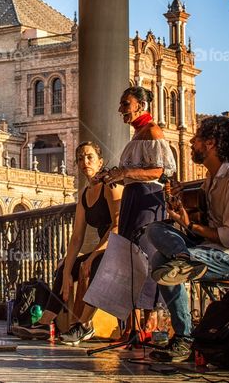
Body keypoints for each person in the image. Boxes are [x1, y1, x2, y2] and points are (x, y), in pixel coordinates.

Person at [146, 115, 229, 363]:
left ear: (212, 143)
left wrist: (189, 224)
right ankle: (184, 259)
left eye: (198, 138)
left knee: (161, 261)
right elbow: (202, 226)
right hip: (212, 251)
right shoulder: (210, 181)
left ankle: (183, 335)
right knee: (155, 232)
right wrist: (181, 205)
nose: (192, 141)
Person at [59, 86, 176, 346]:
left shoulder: (153, 132)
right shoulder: (136, 137)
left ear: (141, 106)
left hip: (148, 202)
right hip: (135, 200)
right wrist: (113, 175)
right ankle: (129, 328)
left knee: (138, 262)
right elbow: (133, 170)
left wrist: (124, 174)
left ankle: (136, 326)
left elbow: (160, 171)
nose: (121, 109)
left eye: (126, 104)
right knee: (128, 263)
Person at [17, 141, 120, 340]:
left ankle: (83, 325)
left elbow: (117, 227)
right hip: (105, 249)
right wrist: (65, 271)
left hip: (119, 247)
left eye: (90, 157)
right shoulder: (84, 194)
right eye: (80, 158)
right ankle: (45, 323)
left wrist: (91, 258)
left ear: (101, 162)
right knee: (66, 266)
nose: (85, 162)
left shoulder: (110, 186)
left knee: (91, 265)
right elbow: (77, 237)